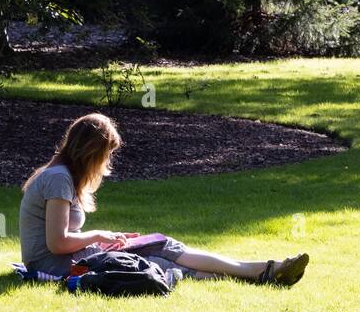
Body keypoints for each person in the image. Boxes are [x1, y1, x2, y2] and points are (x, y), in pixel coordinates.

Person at [19, 110, 309, 286]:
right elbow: (57, 244)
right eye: (107, 154)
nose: (108, 161)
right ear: (90, 152)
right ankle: (264, 273)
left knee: (161, 245)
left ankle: (264, 271)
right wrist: (100, 236)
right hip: (55, 266)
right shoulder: (58, 179)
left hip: (68, 257)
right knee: (159, 260)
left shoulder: (61, 175)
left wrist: (102, 239)